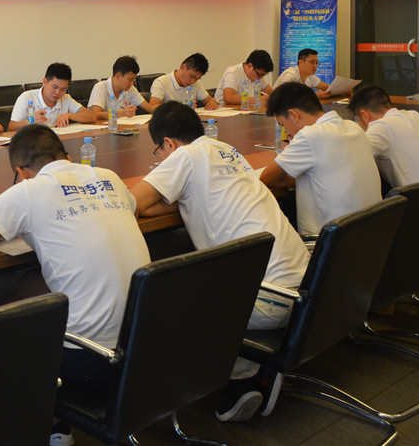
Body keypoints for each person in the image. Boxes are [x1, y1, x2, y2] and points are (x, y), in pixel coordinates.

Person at [0, 125, 150, 444]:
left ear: (21, 172)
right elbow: (132, 214)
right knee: (34, 280)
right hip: (147, 356)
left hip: (90, 369)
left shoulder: (29, 191)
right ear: (67, 157)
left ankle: (46, 422)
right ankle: (57, 422)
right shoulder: (108, 177)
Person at [130, 102, 309, 422]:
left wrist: (176, 197)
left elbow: (136, 203)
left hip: (267, 301)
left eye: (159, 151)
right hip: (305, 291)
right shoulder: (227, 150)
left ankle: (245, 376)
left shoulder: (185, 156)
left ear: (168, 143)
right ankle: (255, 364)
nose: (162, 157)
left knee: (166, 295)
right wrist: (185, 199)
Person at [260, 82, 381, 237]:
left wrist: (292, 168)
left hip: (329, 242)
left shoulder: (310, 135)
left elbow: (266, 179)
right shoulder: (354, 127)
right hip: (371, 235)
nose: (286, 132)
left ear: (294, 115)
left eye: (283, 125)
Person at [8, 63, 96, 130]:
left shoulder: (66, 98)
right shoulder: (27, 97)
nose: (57, 93)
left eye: (63, 89)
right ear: (44, 82)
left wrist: (69, 115)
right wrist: (30, 121)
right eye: (54, 87)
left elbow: (92, 117)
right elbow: (11, 127)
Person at [88, 55, 157, 121]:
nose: (132, 84)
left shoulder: (131, 89)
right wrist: (121, 113)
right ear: (118, 76)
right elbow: (96, 115)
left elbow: (150, 108)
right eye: (130, 80)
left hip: (123, 127)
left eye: (133, 80)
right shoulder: (100, 87)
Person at [149, 52, 217, 109]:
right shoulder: (161, 82)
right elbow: (153, 107)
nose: (193, 81)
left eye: (197, 79)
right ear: (183, 67)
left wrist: (213, 103)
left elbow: (209, 100)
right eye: (192, 76)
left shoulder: (196, 83)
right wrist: (181, 108)